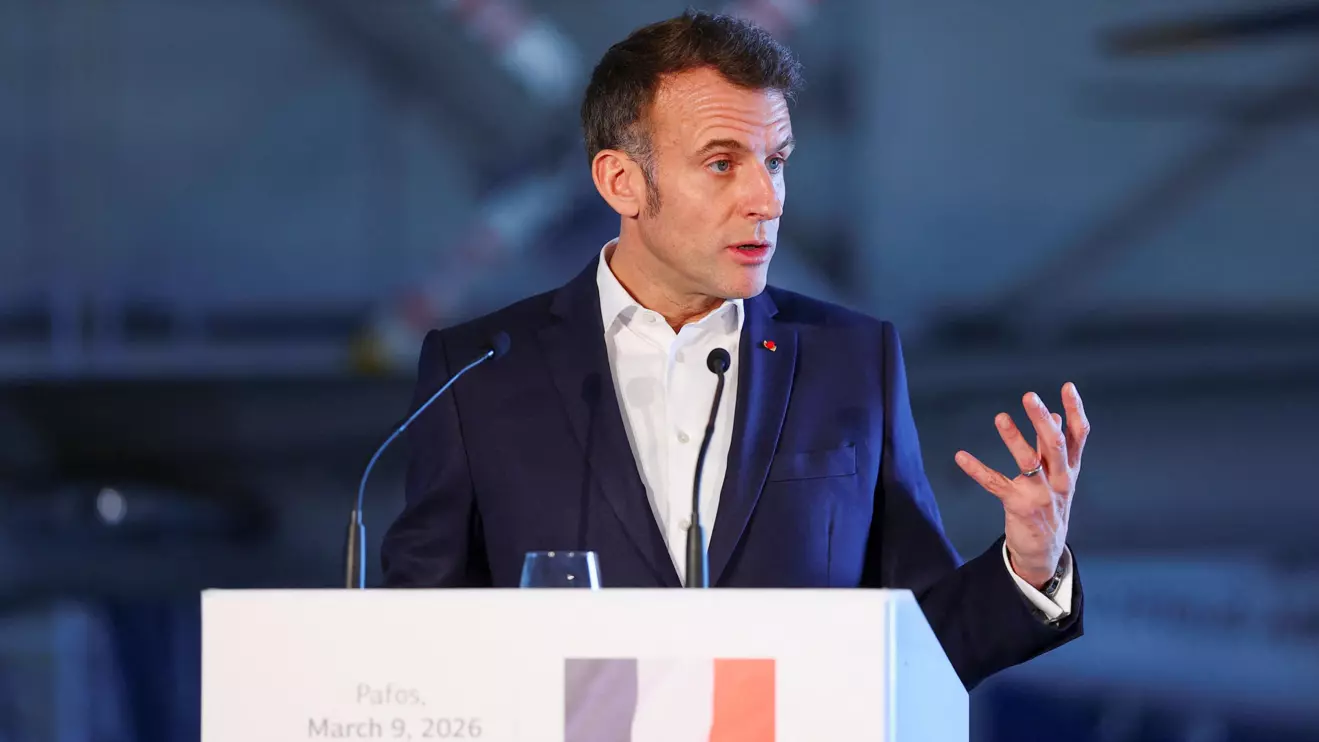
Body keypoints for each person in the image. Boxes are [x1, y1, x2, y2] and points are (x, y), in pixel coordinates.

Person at [381, 10, 1088, 690]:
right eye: (721, 164)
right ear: (620, 182)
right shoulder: (479, 370)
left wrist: (1028, 566)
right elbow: (419, 638)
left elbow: (923, 642)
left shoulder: (848, 360)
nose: (766, 198)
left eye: (774, 161)